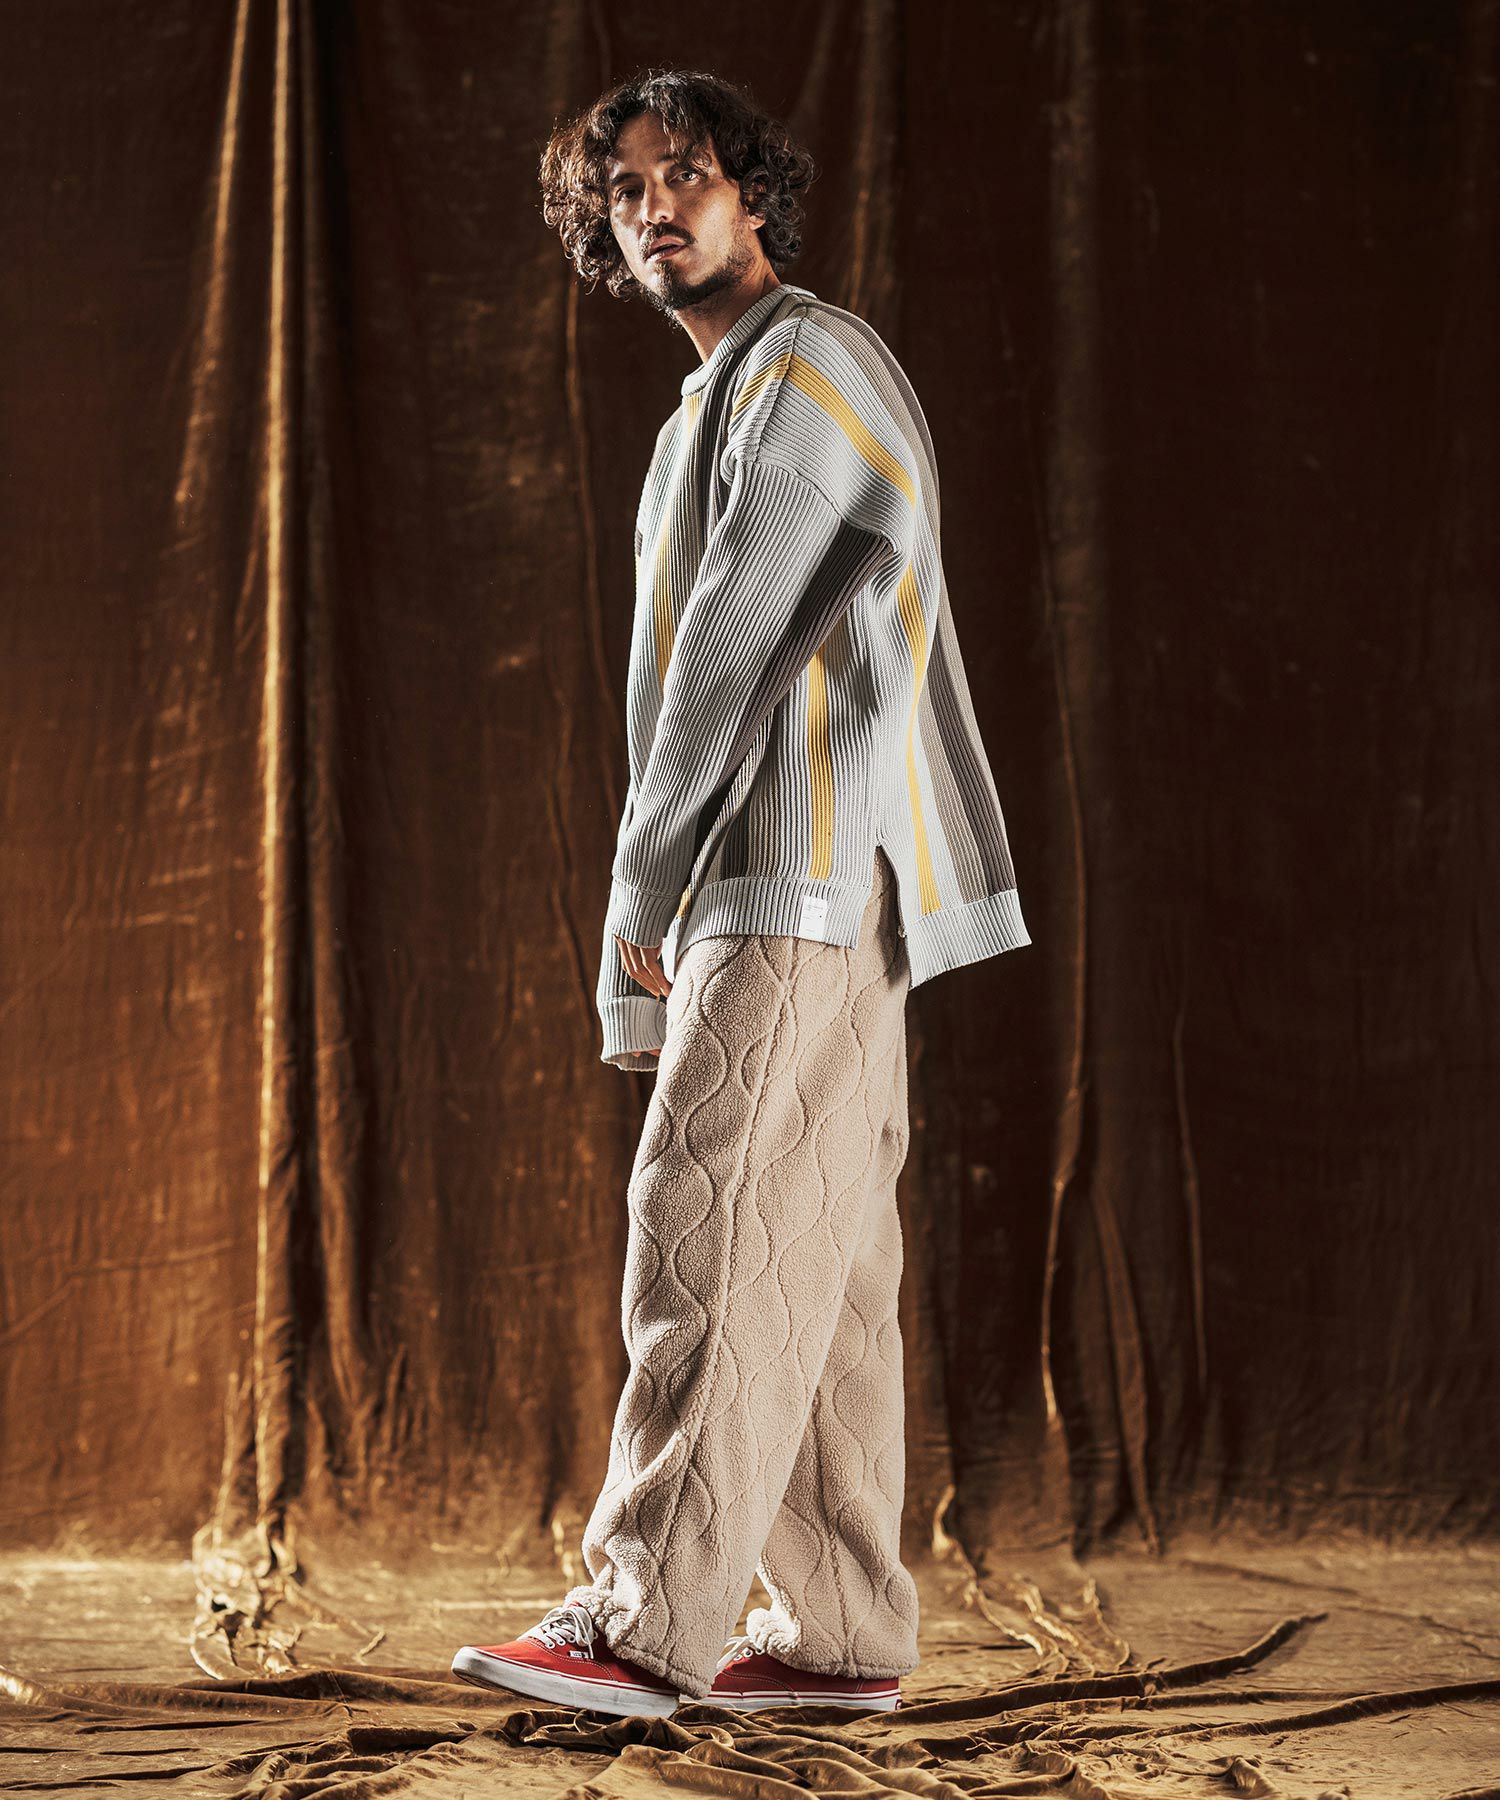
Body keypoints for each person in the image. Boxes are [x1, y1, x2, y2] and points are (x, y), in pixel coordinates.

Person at [450, 67, 1030, 1718]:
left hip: (793, 872)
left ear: (753, 192)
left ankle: (642, 1621)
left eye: (683, 174)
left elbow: (729, 648)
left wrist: (643, 876)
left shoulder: (806, 363)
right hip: (818, 880)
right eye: (625, 192)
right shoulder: (723, 396)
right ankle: (843, 1635)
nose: (654, 209)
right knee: (820, 1265)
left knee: (701, 1221)